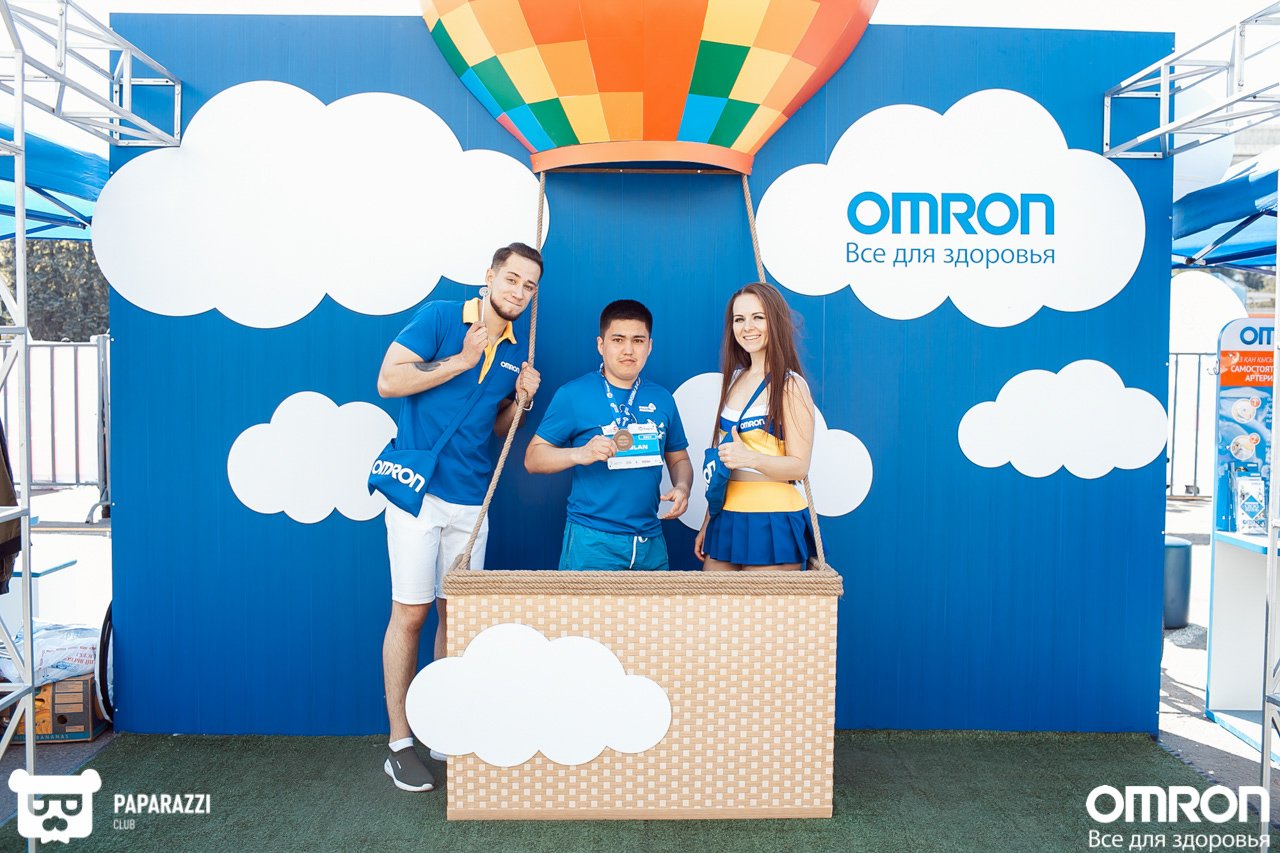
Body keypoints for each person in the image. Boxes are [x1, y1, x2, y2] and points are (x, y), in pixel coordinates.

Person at [375, 243, 542, 792]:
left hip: (472, 502)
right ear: (489, 276)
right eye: (512, 279)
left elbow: (497, 429)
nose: (518, 292)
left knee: (456, 614)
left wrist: (520, 403)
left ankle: (443, 728)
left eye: (529, 286)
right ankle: (400, 743)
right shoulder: (444, 317)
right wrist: (463, 361)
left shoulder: (517, 350)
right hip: (418, 495)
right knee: (411, 615)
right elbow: (389, 380)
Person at [525, 299, 693, 571]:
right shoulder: (573, 394)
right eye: (618, 340)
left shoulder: (663, 398)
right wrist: (580, 454)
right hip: (592, 542)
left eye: (638, 340)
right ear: (601, 345)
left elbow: (679, 459)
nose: (628, 350)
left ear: (649, 346)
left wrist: (683, 487)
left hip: (651, 543)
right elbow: (533, 458)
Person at [695, 282, 816, 572]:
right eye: (739, 319)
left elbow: (799, 466)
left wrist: (750, 458)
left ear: (775, 320)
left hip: (772, 518)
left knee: (763, 605)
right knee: (714, 603)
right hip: (726, 515)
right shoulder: (735, 379)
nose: (747, 327)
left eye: (757, 317)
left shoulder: (790, 385)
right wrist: (708, 521)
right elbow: (723, 465)